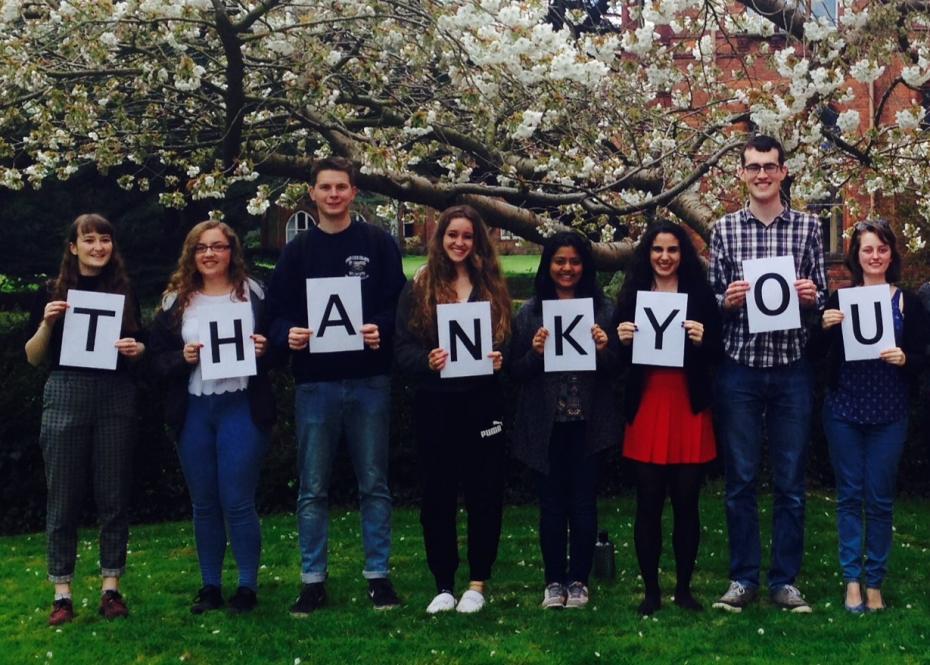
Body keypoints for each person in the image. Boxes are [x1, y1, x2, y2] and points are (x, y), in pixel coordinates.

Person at [267, 156, 406, 614]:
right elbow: (275, 313)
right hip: (315, 383)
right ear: (312, 193)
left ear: (353, 192)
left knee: (374, 483)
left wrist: (379, 328)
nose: (333, 195)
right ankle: (312, 580)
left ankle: (379, 576)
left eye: (341, 187)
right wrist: (288, 333)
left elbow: (398, 305)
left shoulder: (378, 243)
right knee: (312, 487)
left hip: (369, 379)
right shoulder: (298, 251)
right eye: (325, 187)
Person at [708, 134, 827, 613]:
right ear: (742, 173)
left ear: (783, 173)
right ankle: (743, 578)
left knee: (790, 481)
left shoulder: (808, 228)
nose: (761, 174)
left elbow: (820, 299)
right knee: (739, 479)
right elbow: (711, 298)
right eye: (753, 167)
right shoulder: (724, 230)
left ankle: (784, 579)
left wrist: (810, 297)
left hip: (791, 368)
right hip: (740, 369)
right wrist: (727, 301)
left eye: (769, 167)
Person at [149, 220, 276, 614]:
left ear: (231, 251)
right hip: (195, 408)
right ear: (191, 253)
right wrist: (180, 359)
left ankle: (246, 587)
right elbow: (155, 360)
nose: (209, 254)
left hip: (241, 403)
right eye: (201, 247)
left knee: (237, 499)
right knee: (204, 503)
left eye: (218, 247)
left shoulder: (254, 293)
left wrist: (265, 348)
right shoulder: (175, 301)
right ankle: (209, 586)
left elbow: (280, 345)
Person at [25, 213, 145, 625]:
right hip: (65, 391)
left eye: (105, 239)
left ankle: (111, 589)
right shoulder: (52, 291)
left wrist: (136, 350)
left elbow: (138, 347)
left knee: (113, 496)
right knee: (63, 498)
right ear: (73, 246)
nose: (98, 247)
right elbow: (33, 356)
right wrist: (47, 322)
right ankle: (62, 594)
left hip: (114, 395)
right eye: (89, 240)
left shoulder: (125, 292)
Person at [394, 204, 510, 614]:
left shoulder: (491, 283)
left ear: (477, 241)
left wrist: (501, 358)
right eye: (452, 235)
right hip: (436, 404)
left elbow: (508, 341)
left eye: (467, 236)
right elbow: (401, 349)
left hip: (482, 403)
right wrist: (427, 360)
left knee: (484, 494)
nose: (459, 243)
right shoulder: (421, 284)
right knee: (437, 496)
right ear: (440, 239)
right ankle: (443, 583)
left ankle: (477, 582)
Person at [817, 220, 928, 613]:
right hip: (845, 410)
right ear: (856, 255)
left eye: (882, 249)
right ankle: (851, 581)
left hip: (889, 412)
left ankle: (875, 582)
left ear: (891, 255)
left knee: (880, 500)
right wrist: (825, 326)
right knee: (849, 497)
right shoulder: (839, 299)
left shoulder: (909, 303)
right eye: (867, 249)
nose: (875, 256)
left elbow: (922, 356)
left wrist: (906, 359)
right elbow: (819, 354)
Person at [614, 221, 723, 615]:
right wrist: (621, 338)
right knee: (647, 503)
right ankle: (651, 591)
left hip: (687, 407)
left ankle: (684, 589)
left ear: (683, 255)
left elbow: (717, 351)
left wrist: (702, 339)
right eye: (657, 250)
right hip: (647, 406)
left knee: (686, 503)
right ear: (648, 253)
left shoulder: (699, 296)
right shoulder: (632, 295)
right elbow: (614, 355)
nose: (664, 257)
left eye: (672, 250)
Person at [510, 231, 620, 610]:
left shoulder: (603, 309)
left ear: (584, 266)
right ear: (548, 266)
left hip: (589, 422)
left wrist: (605, 348)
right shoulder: (529, 313)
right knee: (552, 506)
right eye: (560, 261)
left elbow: (617, 369)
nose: (567, 268)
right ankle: (553, 581)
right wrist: (536, 353)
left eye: (574, 261)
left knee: (584, 504)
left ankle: (579, 580)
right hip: (547, 424)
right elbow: (516, 372)